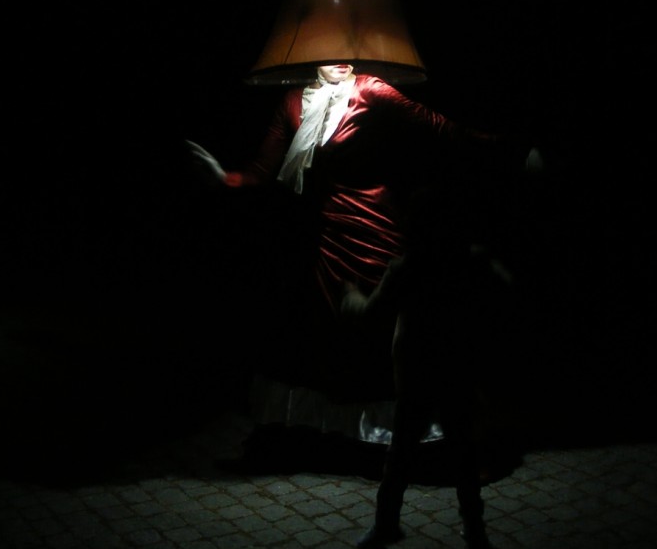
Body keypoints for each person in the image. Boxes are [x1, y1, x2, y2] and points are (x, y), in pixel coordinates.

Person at [185, 63, 536, 448]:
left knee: (383, 331)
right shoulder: (293, 101)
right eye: (330, 48)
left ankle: (405, 437)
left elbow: (440, 129)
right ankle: (346, 441)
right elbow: (262, 170)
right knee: (331, 334)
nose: (343, 55)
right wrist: (224, 178)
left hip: (375, 229)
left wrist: (512, 151)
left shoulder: (371, 89)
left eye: (350, 45)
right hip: (324, 238)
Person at [341, 179, 516, 549]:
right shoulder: (471, 263)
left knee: (400, 456)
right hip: (459, 371)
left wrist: (350, 296)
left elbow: (371, 313)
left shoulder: (407, 268)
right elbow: (506, 291)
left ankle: (386, 526)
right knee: (464, 455)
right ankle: (476, 535)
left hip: (416, 375)